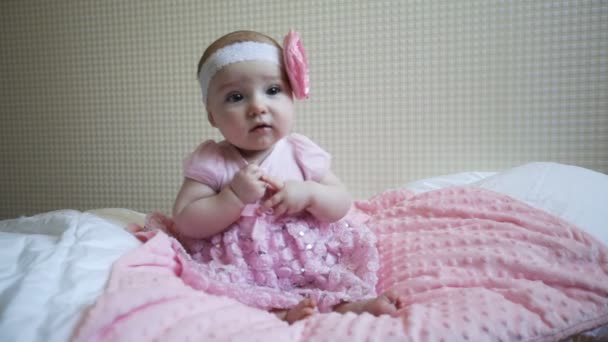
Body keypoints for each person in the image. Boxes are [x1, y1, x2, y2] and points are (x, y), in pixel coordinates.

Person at [156, 30, 403, 323]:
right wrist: (231, 197)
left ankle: (349, 306)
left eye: (273, 90)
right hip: (242, 263)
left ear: (292, 96)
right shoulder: (213, 160)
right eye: (236, 97)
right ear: (212, 115)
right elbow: (186, 220)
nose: (258, 107)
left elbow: (341, 204)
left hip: (304, 256)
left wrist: (310, 193)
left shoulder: (300, 152)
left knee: (328, 276)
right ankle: (278, 312)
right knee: (223, 290)